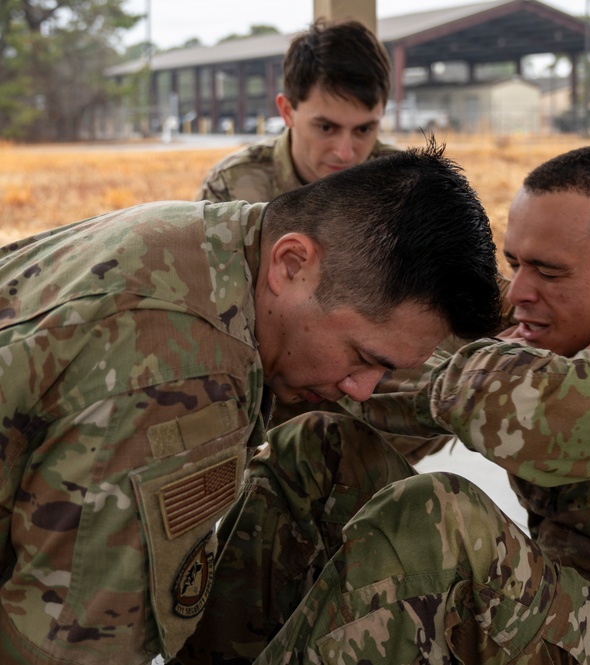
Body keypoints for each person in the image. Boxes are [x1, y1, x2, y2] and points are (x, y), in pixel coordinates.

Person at [176, 144, 590, 665]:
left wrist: (483, 371)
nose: (517, 292)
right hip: (571, 624)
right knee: (313, 448)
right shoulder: (547, 334)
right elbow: (386, 377)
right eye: (514, 263)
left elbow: (549, 422)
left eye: (548, 271)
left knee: (440, 517)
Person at [0, 143, 502, 665]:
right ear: (292, 263)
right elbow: (67, 651)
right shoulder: (185, 371)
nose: (362, 389)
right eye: (361, 357)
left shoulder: (200, 243)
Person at [196, 18, 397, 204]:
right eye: (326, 128)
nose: (345, 153)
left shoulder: (405, 183)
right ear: (287, 112)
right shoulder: (230, 189)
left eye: (363, 130)